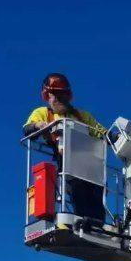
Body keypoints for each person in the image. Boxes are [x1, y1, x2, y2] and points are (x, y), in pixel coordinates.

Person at [23, 73, 107, 222]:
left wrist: (115, 137)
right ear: (46, 95)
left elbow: (102, 132)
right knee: (78, 189)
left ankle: (97, 224)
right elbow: (28, 129)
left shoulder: (82, 116)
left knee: (96, 193)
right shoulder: (43, 113)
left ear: (69, 96)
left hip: (90, 164)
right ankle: (83, 221)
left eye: (62, 94)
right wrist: (40, 125)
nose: (58, 98)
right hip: (68, 163)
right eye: (54, 94)